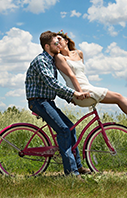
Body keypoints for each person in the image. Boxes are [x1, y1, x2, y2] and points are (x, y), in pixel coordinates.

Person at [55, 31, 127, 131]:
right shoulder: (60, 58)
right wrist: (78, 94)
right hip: (80, 91)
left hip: (87, 87)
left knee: (120, 98)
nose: (57, 43)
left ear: (66, 40)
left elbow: (81, 74)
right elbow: (72, 76)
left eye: (59, 39)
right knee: (119, 97)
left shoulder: (79, 53)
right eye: (55, 42)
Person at [25, 31, 91, 179]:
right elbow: (52, 83)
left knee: (71, 128)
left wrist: (70, 98)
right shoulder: (41, 61)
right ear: (47, 46)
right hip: (38, 101)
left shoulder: (51, 61)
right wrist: (74, 94)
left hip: (47, 101)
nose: (59, 45)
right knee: (63, 131)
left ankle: (78, 166)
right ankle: (71, 174)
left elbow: (53, 88)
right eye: (56, 43)